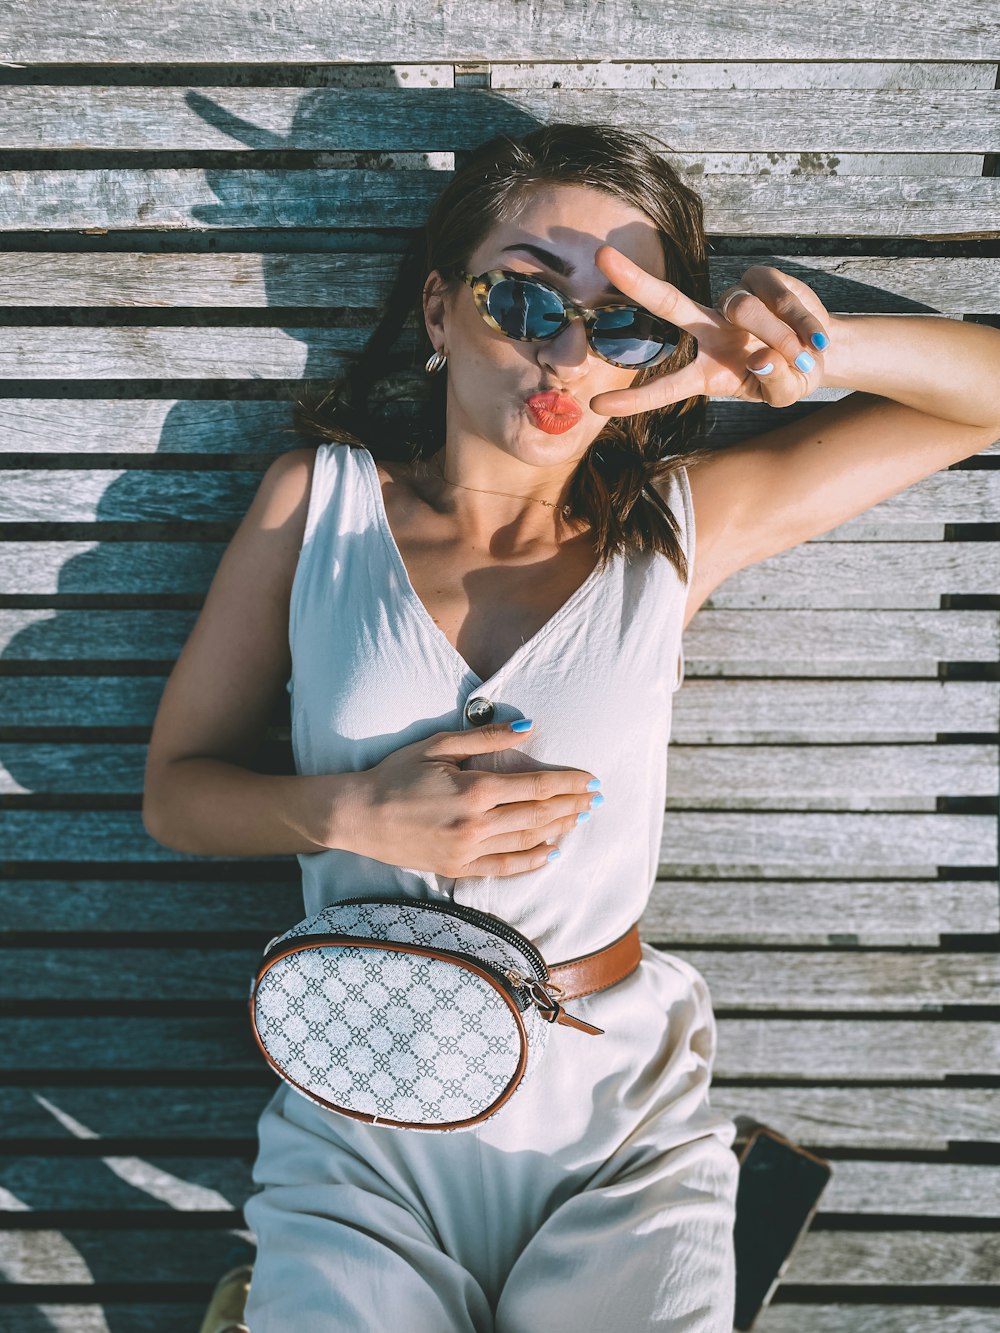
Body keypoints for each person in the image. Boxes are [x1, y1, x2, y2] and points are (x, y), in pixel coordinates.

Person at [144, 123, 1000, 1332]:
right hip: (358, 1127)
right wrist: (349, 811)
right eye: (524, 296)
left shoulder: (674, 534)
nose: (567, 350)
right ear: (441, 313)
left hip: (615, 1129)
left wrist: (798, 359)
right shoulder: (319, 503)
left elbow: (988, 399)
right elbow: (175, 792)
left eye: (624, 319)